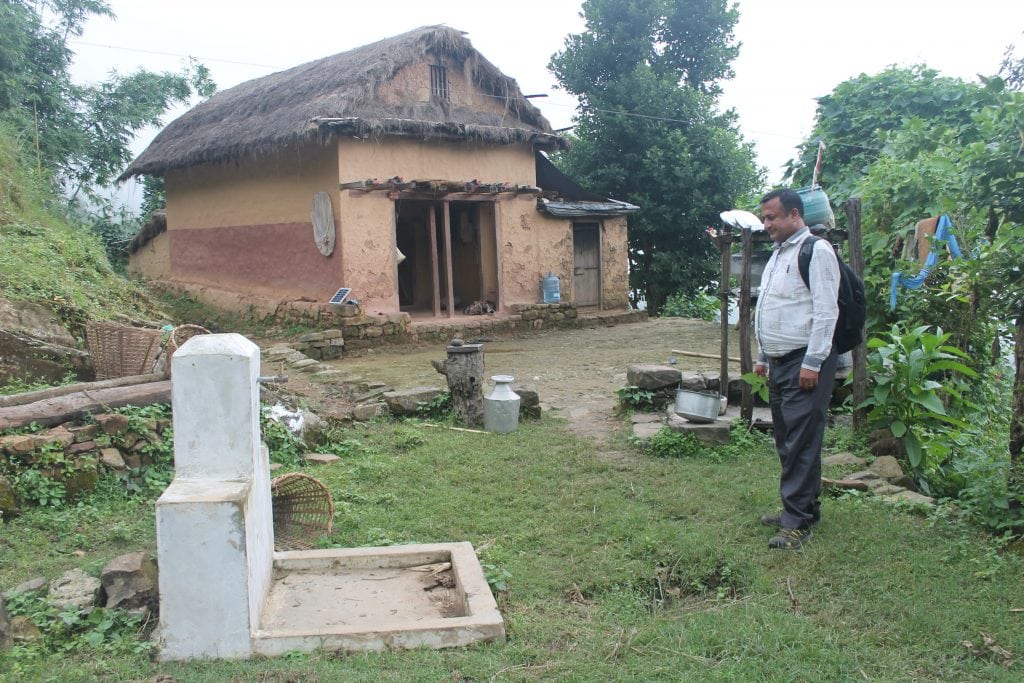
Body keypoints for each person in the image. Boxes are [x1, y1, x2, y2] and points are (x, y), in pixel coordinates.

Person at [754, 188, 840, 550]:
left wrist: (813, 362)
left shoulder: (816, 250)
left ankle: (796, 523)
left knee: (801, 442)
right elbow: (772, 307)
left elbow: (826, 311)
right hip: (780, 363)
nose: (766, 224)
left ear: (794, 215)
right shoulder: (778, 255)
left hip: (805, 363)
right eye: (764, 218)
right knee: (789, 441)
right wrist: (762, 356)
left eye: (772, 217)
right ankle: (803, 508)